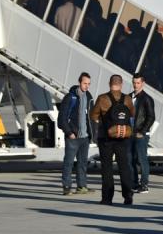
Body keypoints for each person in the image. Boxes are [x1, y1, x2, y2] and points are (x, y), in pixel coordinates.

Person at [90, 75, 136, 206]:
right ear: (121, 85)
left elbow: (94, 115)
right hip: (123, 137)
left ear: (109, 84)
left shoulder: (102, 98)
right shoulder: (127, 99)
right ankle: (128, 196)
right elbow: (132, 114)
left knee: (107, 168)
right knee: (124, 166)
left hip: (106, 138)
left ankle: (107, 198)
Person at [59, 73, 94, 196]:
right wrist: (69, 133)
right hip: (73, 137)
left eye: (89, 84)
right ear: (80, 82)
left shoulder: (89, 97)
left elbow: (91, 117)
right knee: (68, 162)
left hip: (85, 137)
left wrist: (91, 134)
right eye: (85, 83)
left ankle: (82, 186)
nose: (87, 86)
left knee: (83, 163)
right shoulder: (70, 97)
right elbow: (61, 118)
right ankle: (67, 187)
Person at [130, 73, 157, 194]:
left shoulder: (147, 98)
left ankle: (144, 184)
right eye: (134, 83)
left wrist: (142, 131)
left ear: (143, 83)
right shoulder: (128, 97)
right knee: (131, 159)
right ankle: (134, 183)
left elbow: (151, 117)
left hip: (141, 134)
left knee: (142, 159)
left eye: (138, 83)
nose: (136, 85)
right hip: (129, 133)